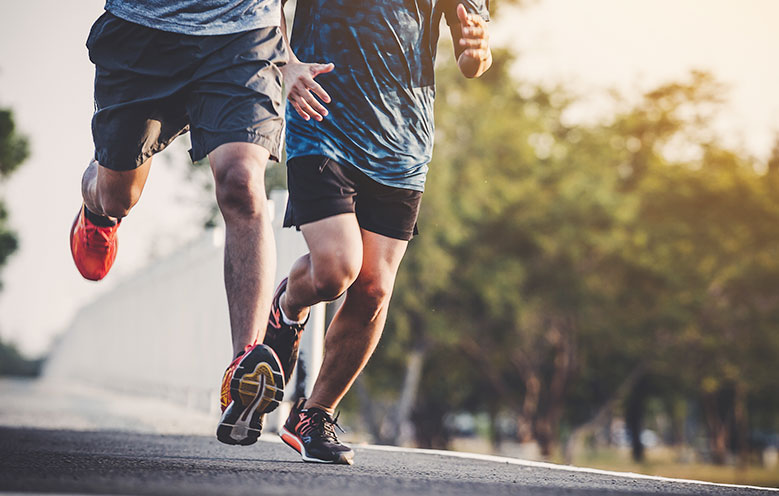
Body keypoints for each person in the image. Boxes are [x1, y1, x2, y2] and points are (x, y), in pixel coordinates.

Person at [262, 0, 492, 465]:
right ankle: (289, 306)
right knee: (334, 270)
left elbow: (474, 60)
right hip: (321, 122)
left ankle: (314, 413)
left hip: (404, 145)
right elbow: (264, 8)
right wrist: (285, 62)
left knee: (373, 288)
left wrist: (477, 49)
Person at [68, 0, 290, 446]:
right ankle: (97, 213)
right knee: (119, 195)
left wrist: (294, 54)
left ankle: (242, 368)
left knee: (243, 183)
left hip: (243, 35)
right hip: (144, 31)